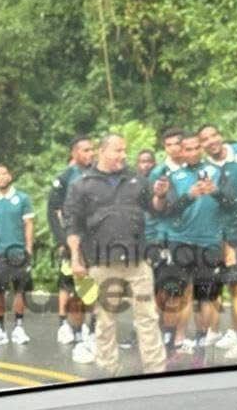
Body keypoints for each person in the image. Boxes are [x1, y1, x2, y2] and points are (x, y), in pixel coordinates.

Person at [64, 135, 167, 376]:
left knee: (148, 317)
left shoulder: (136, 179)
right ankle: (108, 371)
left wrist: (160, 196)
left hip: (137, 260)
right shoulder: (82, 184)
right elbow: (73, 226)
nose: (123, 155)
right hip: (101, 262)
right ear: (102, 151)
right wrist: (76, 259)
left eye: (124, 150)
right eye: (117, 150)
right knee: (105, 320)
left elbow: (156, 210)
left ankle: (156, 370)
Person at [159, 133, 227, 354]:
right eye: (188, 149)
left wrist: (215, 192)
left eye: (197, 147)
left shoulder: (217, 171)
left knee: (203, 296)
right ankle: (169, 339)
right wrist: (189, 196)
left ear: (201, 148)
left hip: (209, 241)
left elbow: (231, 204)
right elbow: (168, 211)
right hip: (180, 241)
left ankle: (200, 340)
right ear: (181, 151)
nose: (193, 152)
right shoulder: (174, 176)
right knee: (174, 293)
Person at [199, 124, 237, 362]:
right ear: (201, 145)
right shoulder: (204, 170)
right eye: (205, 139)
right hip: (219, 235)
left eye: (213, 135)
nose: (211, 141)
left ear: (221, 135)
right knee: (221, 287)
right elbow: (212, 206)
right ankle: (232, 332)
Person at [47, 137, 96, 348]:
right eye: (85, 150)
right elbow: (54, 212)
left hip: (96, 240)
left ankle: (92, 329)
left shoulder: (99, 174)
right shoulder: (65, 178)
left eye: (92, 149)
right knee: (73, 285)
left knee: (95, 285)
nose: (90, 153)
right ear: (74, 153)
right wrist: (63, 240)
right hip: (73, 240)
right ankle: (71, 327)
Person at [0, 165, 35, 346]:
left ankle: (19, 328)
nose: (1, 177)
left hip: (18, 251)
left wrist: (29, 249)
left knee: (19, 290)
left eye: (4, 173)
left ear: (10, 176)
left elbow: (29, 224)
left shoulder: (22, 198)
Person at [149, 128, 187, 348]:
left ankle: (177, 336)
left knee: (182, 289)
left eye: (177, 144)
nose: (173, 148)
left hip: (190, 237)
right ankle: (159, 333)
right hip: (165, 237)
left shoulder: (193, 169)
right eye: (169, 145)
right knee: (162, 288)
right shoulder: (159, 172)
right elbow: (152, 207)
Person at [120, 149, 158, 350]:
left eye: (149, 161)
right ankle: (138, 332)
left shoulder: (158, 182)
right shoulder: (132, 183)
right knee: (138, 292)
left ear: (155, 163)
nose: (145, 165)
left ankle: (158, 333)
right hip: (137, 243)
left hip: (158, 240)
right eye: (142, 161)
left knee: (157, 290)